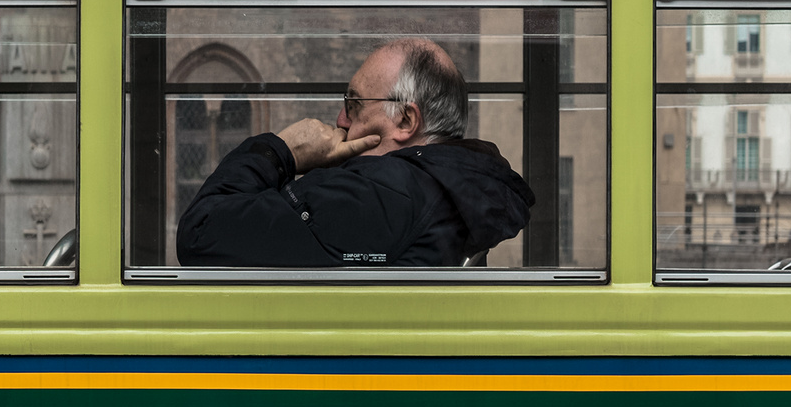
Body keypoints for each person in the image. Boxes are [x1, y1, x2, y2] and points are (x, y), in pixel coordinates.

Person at [176, 37, 534, 267]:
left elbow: (201, 234)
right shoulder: (454, 189)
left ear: (406, 120)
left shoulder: (378, 194)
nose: (341, 119)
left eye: (355, 104)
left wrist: (281, 152)